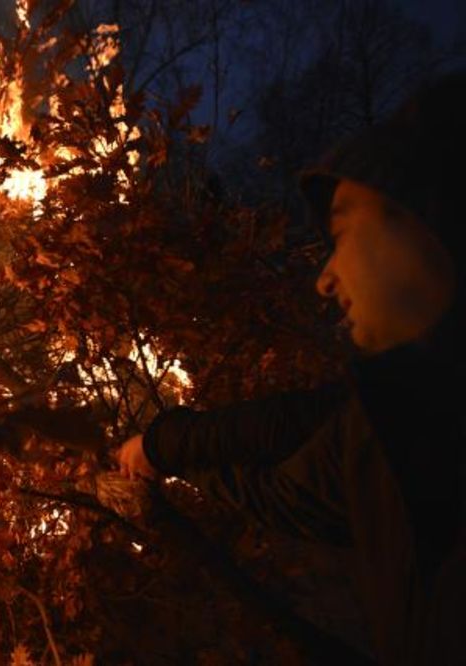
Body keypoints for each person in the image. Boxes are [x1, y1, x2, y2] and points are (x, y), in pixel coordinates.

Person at [117, 71, 465, 665]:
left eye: (344, 230)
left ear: (435, 212)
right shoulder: (385, 426)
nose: (324, 278)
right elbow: (284, 472)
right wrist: (162, 449)